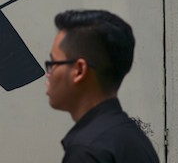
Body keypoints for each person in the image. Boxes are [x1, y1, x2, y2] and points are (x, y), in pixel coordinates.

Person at [45, 9, 159, 162]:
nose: (48, 74)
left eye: (53, 63)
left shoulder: (87, 150)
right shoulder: (133, 137)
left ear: (79, 70)